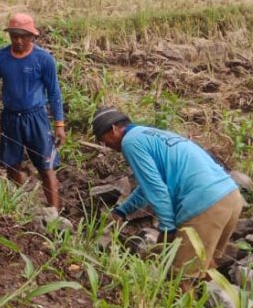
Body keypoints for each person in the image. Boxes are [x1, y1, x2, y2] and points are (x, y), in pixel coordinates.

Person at [92, 107, 244, 283]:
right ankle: (223, 304)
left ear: (113, 129)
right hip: (230, 196)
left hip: (204, 203)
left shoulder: (130, 143)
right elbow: (147, 187)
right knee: (203, 261)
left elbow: (156, 189)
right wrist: (121, 212)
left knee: (181, 277)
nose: (106, 146)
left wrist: (168, 227)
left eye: (104, 140)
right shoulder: (149, 134)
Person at [0, 13, 65, 209]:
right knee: (11, 164)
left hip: (36, 118)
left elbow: (54, 92)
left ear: (32, 36)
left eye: (23, 36)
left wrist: (59, 123)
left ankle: (54, 213)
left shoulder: (44, 60)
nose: (18, 41)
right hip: (10, 118)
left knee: (46, 166)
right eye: (14, 36)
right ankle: (22, 206)